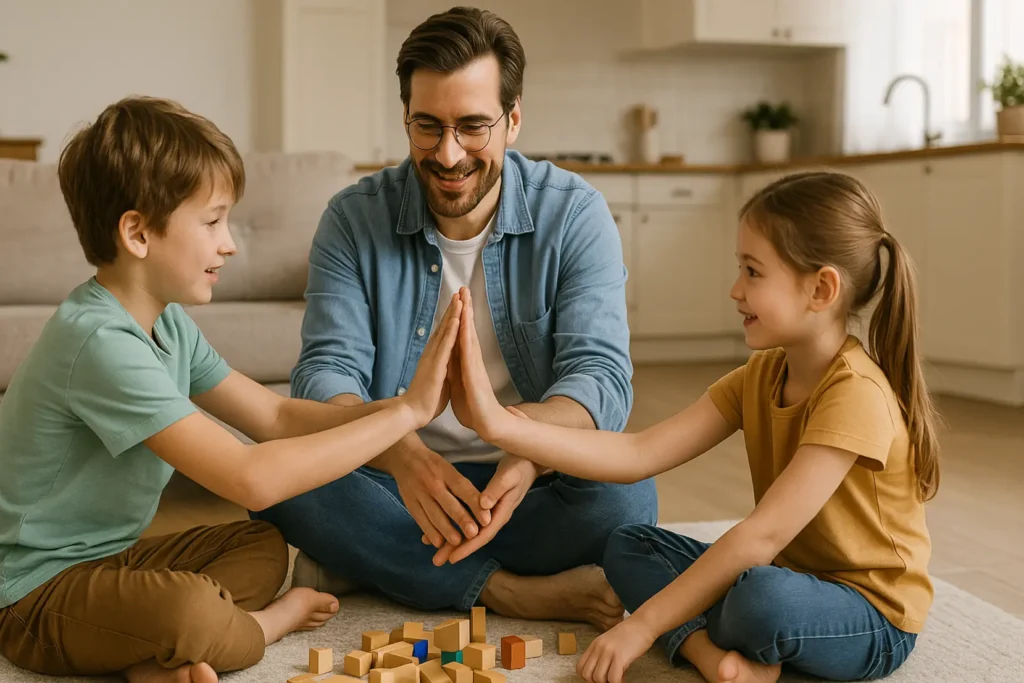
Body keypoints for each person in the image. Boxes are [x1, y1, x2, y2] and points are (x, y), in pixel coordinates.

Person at [0, 96, 462, 683]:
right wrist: (408, 416)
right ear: (138, 233)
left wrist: (400, 408)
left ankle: (147, 660)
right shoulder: (98, 341)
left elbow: (273, 416)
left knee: (263, 547)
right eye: (213, 221)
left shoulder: (164, 323)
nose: (230, 243)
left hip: (114, 561)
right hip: (33, 595)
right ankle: (262, 628)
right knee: (192, 610)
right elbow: (250, 476)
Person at [252, 6, 656, 629]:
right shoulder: (352, 218)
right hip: (392, 477)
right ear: (405, 118)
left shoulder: (576, 214)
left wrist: (527, 452)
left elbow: (600, 378)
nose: (447, 154)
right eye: (427, 127)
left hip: (525, 482)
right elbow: (324, 378)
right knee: (286, 478)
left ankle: (375, 560)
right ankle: (510, 590)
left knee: (626, 499)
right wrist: (403, 456)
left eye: (472, 127)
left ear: (513, 119)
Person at [450, 170, 939, 683]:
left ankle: (709, 633)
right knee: (629, 546)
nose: (735, 290)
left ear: (821, 288)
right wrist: (501, 426)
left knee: (758, 599)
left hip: (872, 617)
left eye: (753, 272)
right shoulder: (762, 375)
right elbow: (638, 453)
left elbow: (761, 535)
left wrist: (639, 628)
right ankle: (715, 658)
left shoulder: (856, 392)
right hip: (787, 574)